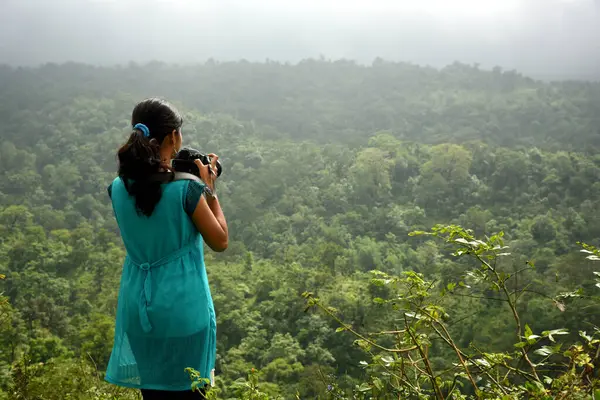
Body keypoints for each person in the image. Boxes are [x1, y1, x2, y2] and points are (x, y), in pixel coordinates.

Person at [105, 98, 228, 399]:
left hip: (138, 313)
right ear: (173, 137)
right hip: (183, 313)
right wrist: (209, 190)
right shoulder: (187, 190)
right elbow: (220, 240)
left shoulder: (118, 188)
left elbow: (149, 196)